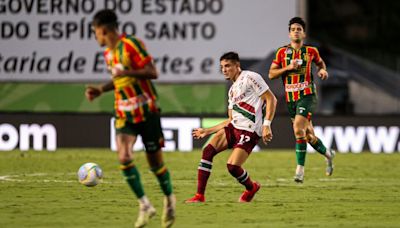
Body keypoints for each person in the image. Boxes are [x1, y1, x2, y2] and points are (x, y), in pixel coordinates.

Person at [85, 9, 175, 228]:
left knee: (156, 164)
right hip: (124, 113)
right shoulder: (108, 53)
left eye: (95, 32)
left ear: (103, 30)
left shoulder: (131, 45)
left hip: (146, 110)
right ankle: (144, 205)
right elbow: (118, 81)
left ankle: (169, 200)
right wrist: (101, 89)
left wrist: (127, 73)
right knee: (124, 157)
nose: (95, 36)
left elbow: (152, 72)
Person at [186, 52, 277, 203]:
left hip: (250, 130)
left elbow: (271, 98)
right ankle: (199, 196)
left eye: (227, 66)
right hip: (234, 127)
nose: (224, 70)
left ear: (237, 65)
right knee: (207, 151)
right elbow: (230, 120)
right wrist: (206, 131)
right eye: (222, 67)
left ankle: (251, 187)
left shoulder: (250, 77)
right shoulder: (232, 90)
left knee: (233, 167)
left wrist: (267, 125)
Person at [268, 17, 335, 183]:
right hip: (291, 99)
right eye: (293, 29)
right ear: (289, 34)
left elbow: (321, 64)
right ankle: (328, 154)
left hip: (307, 95)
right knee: (308, 136)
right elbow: (271, 74)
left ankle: (300, 171)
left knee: (298, 129)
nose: (296, 31)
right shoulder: (281, 53)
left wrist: (323, 71)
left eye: (299, 29)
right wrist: (288, 67)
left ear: (303, 33)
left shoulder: (311, 51)